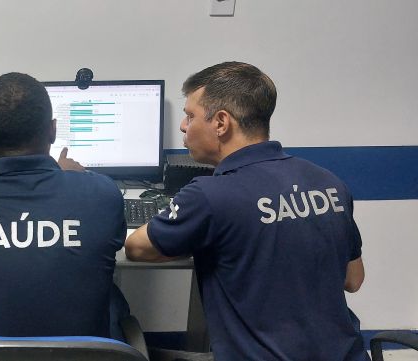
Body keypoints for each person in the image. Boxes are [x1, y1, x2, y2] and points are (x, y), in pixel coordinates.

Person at [125, 62, 368, 360]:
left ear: (221, 123)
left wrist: (196, 236)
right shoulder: (329, 183)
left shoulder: (208, 196)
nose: (183, 126)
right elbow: (353, 279)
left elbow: (137, 248)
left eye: (190, 116)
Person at [0, 72, 129, 342]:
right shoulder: (102, 194)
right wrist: (71, 177)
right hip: (79, 357)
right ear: (53, 130)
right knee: (110, 296)